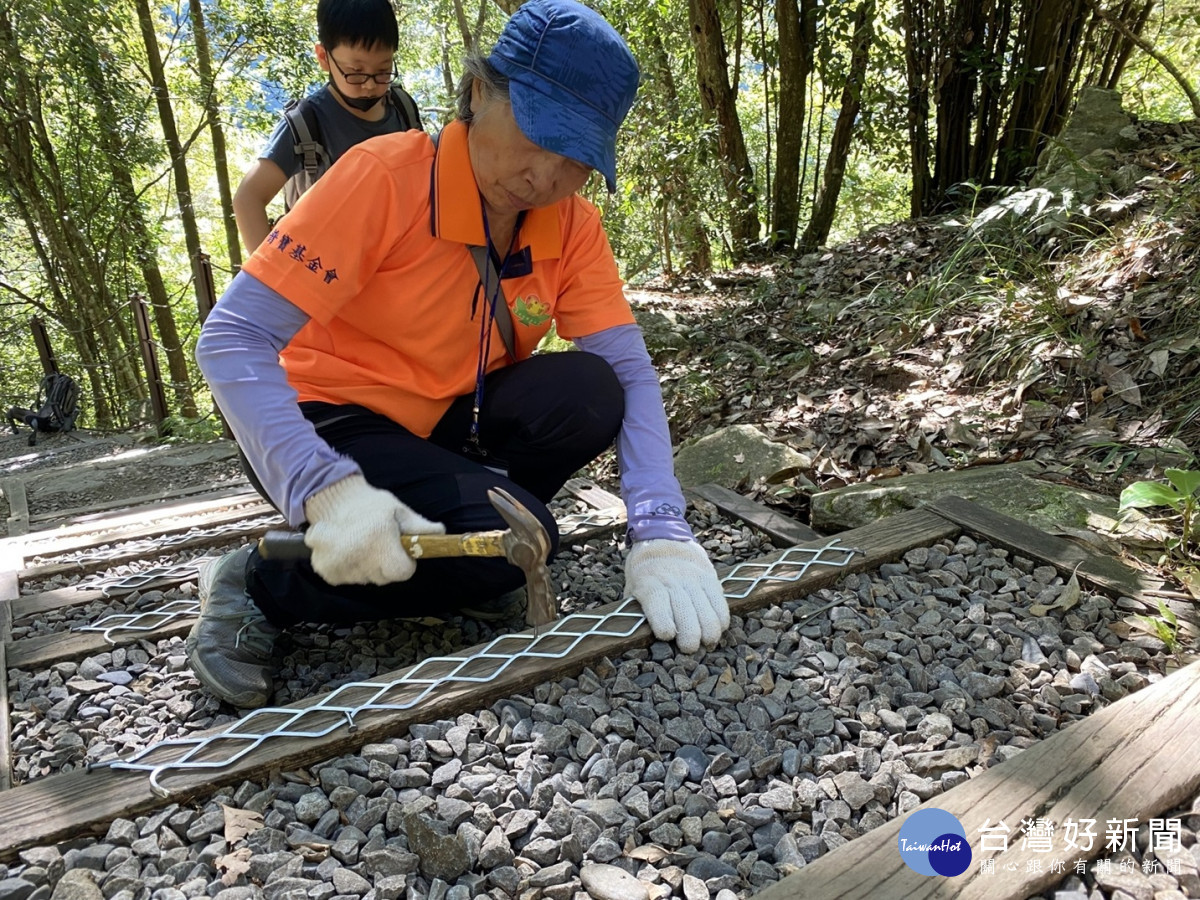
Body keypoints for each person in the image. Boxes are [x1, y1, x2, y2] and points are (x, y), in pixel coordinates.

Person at [191, 0, 731, 709]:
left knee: (591, 389)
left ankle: (472, 561)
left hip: (454, 417)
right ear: (479, 93)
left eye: (574, 157)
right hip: (331, 424)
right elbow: (231, 338)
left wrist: (661, 527)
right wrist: (320, 486)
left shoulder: (571, 224)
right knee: (517, 543)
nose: (544, 174)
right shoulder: (380, 179)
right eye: (536, 134)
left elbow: (626, 366)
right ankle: (258, 582)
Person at [232, 0, 421, 253]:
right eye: (356, 72)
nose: (369, 85)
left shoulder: (403, 108)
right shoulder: (305, 125)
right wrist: (272, 285)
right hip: (329, 278)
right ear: (324, 57)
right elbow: (248, 198)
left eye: (383, 71)